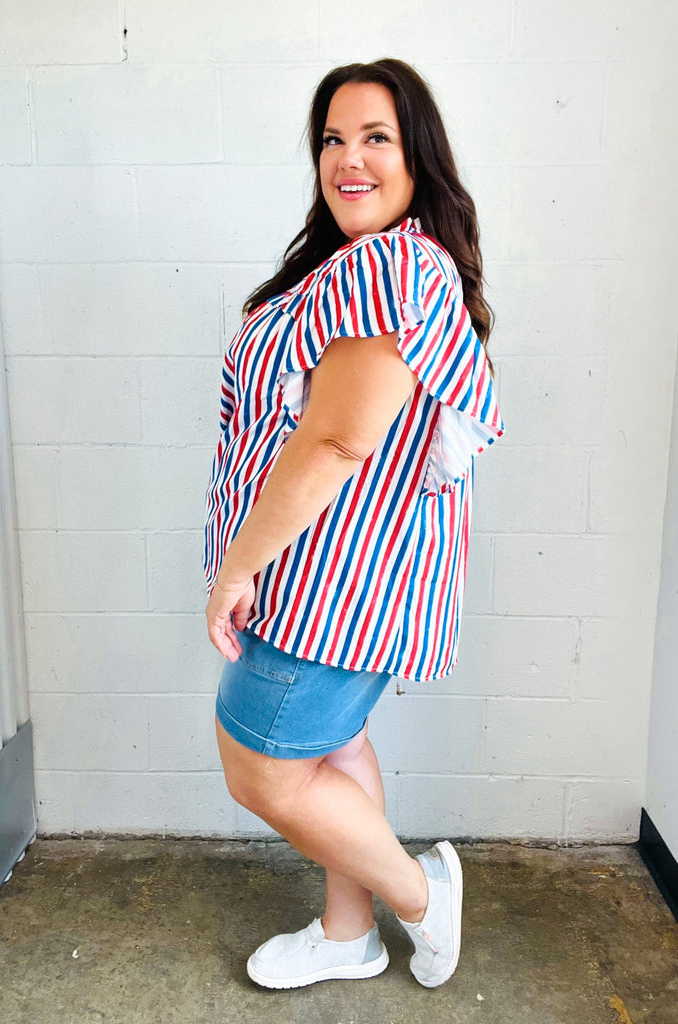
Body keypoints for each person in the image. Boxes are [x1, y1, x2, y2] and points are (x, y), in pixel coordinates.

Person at [203, 58, 503, 990]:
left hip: (329, 587)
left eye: (375, 136)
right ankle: (347, 934)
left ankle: (419, 897)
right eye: (332, 139)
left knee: (261, 769)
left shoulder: (389, 268)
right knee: (333, 748)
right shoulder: (367, 264)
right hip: (340, 582)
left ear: (418, 156)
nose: (348, 158)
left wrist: (236, 567)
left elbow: (335, 443)